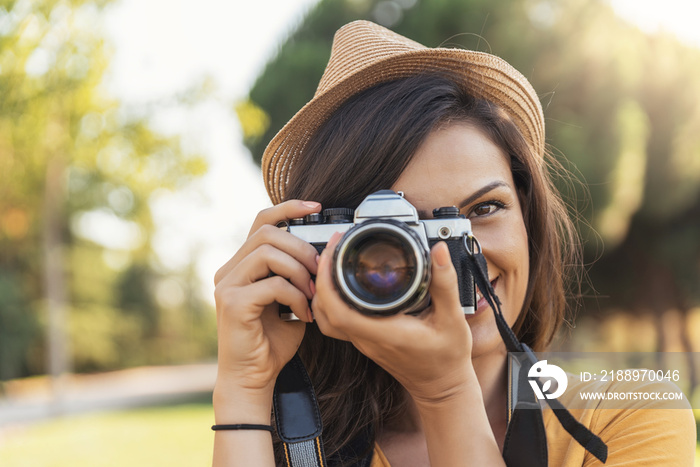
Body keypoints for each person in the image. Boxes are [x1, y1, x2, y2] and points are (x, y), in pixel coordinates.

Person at [212, 20, 696, 466]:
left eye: (483, 210)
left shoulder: (626, 414)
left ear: (528, 220)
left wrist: (443, 392)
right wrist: (243, 386)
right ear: (326, 255)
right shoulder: (293, 441)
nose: (448, 259)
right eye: (405, 235)